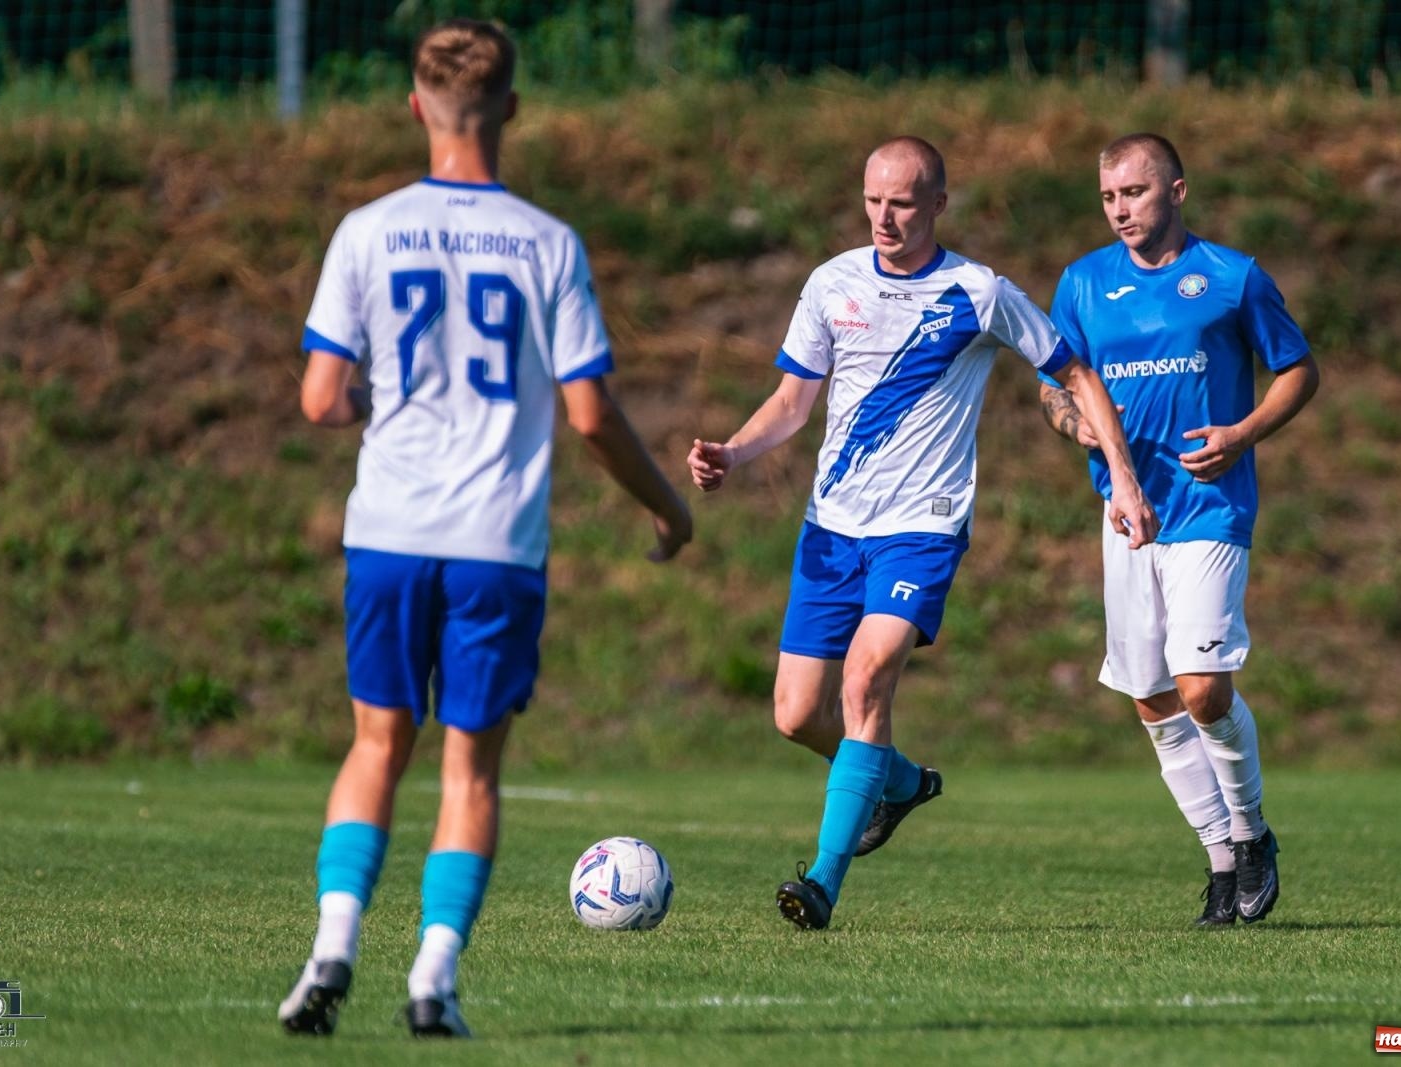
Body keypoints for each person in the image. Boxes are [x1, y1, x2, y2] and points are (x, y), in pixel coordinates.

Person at [278, 19, 692, 1039]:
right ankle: (432, 975)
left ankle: (331, 948)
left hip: (388, 530)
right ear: (511, 108)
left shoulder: (365, 231)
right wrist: (664, 503)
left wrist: (390, 401)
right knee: (470, 767)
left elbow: (321, 399)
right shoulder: (547, 243)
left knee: (377, 743)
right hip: (494, 540)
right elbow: (590, 413)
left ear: (416, 106)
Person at [689, 136, 1157, 931]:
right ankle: (899, 783)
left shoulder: (978, 291)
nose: (885, 217)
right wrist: (733, 450)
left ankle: (822, 884)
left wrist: (1124, 480)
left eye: (903, 203)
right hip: (831, 530)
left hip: (922, 528)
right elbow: (793, 402)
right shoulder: (830, 283)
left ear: (938, 204)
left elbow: (1073, 371)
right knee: (797, 716)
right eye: (873, 201)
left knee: (866, 679)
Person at [1038, 132, 1319, 927]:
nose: (1120, 209)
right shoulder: (1084, 284)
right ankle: (1222, 859)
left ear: (1177, 191)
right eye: (1108, 197)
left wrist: (1243, 433)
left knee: (1201, 685)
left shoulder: (1232, 278)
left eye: (1135, 192)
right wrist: (1073, 424)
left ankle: (1254, 831)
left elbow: (1299, 369)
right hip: (1128, 512)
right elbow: (1056, 388)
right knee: (1154, 698)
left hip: (1209, 507)